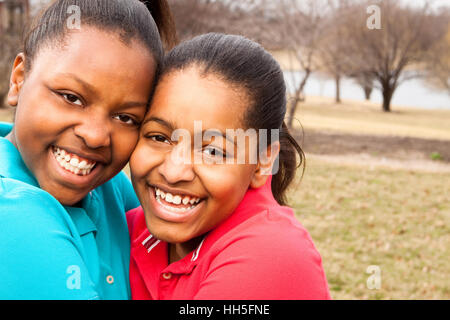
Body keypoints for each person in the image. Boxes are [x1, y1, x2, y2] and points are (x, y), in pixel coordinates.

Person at [126, 33, 331, 299]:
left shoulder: (272, 254)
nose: (173, 171)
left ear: (262, 162)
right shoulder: (130, 226)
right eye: (159, 137)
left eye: (212, 151)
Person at [0, 0, 176, 299]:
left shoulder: (110, 189)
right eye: (71, 97)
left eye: (125, 117)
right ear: (19, 78)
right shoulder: (14, 217)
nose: (95, 137)